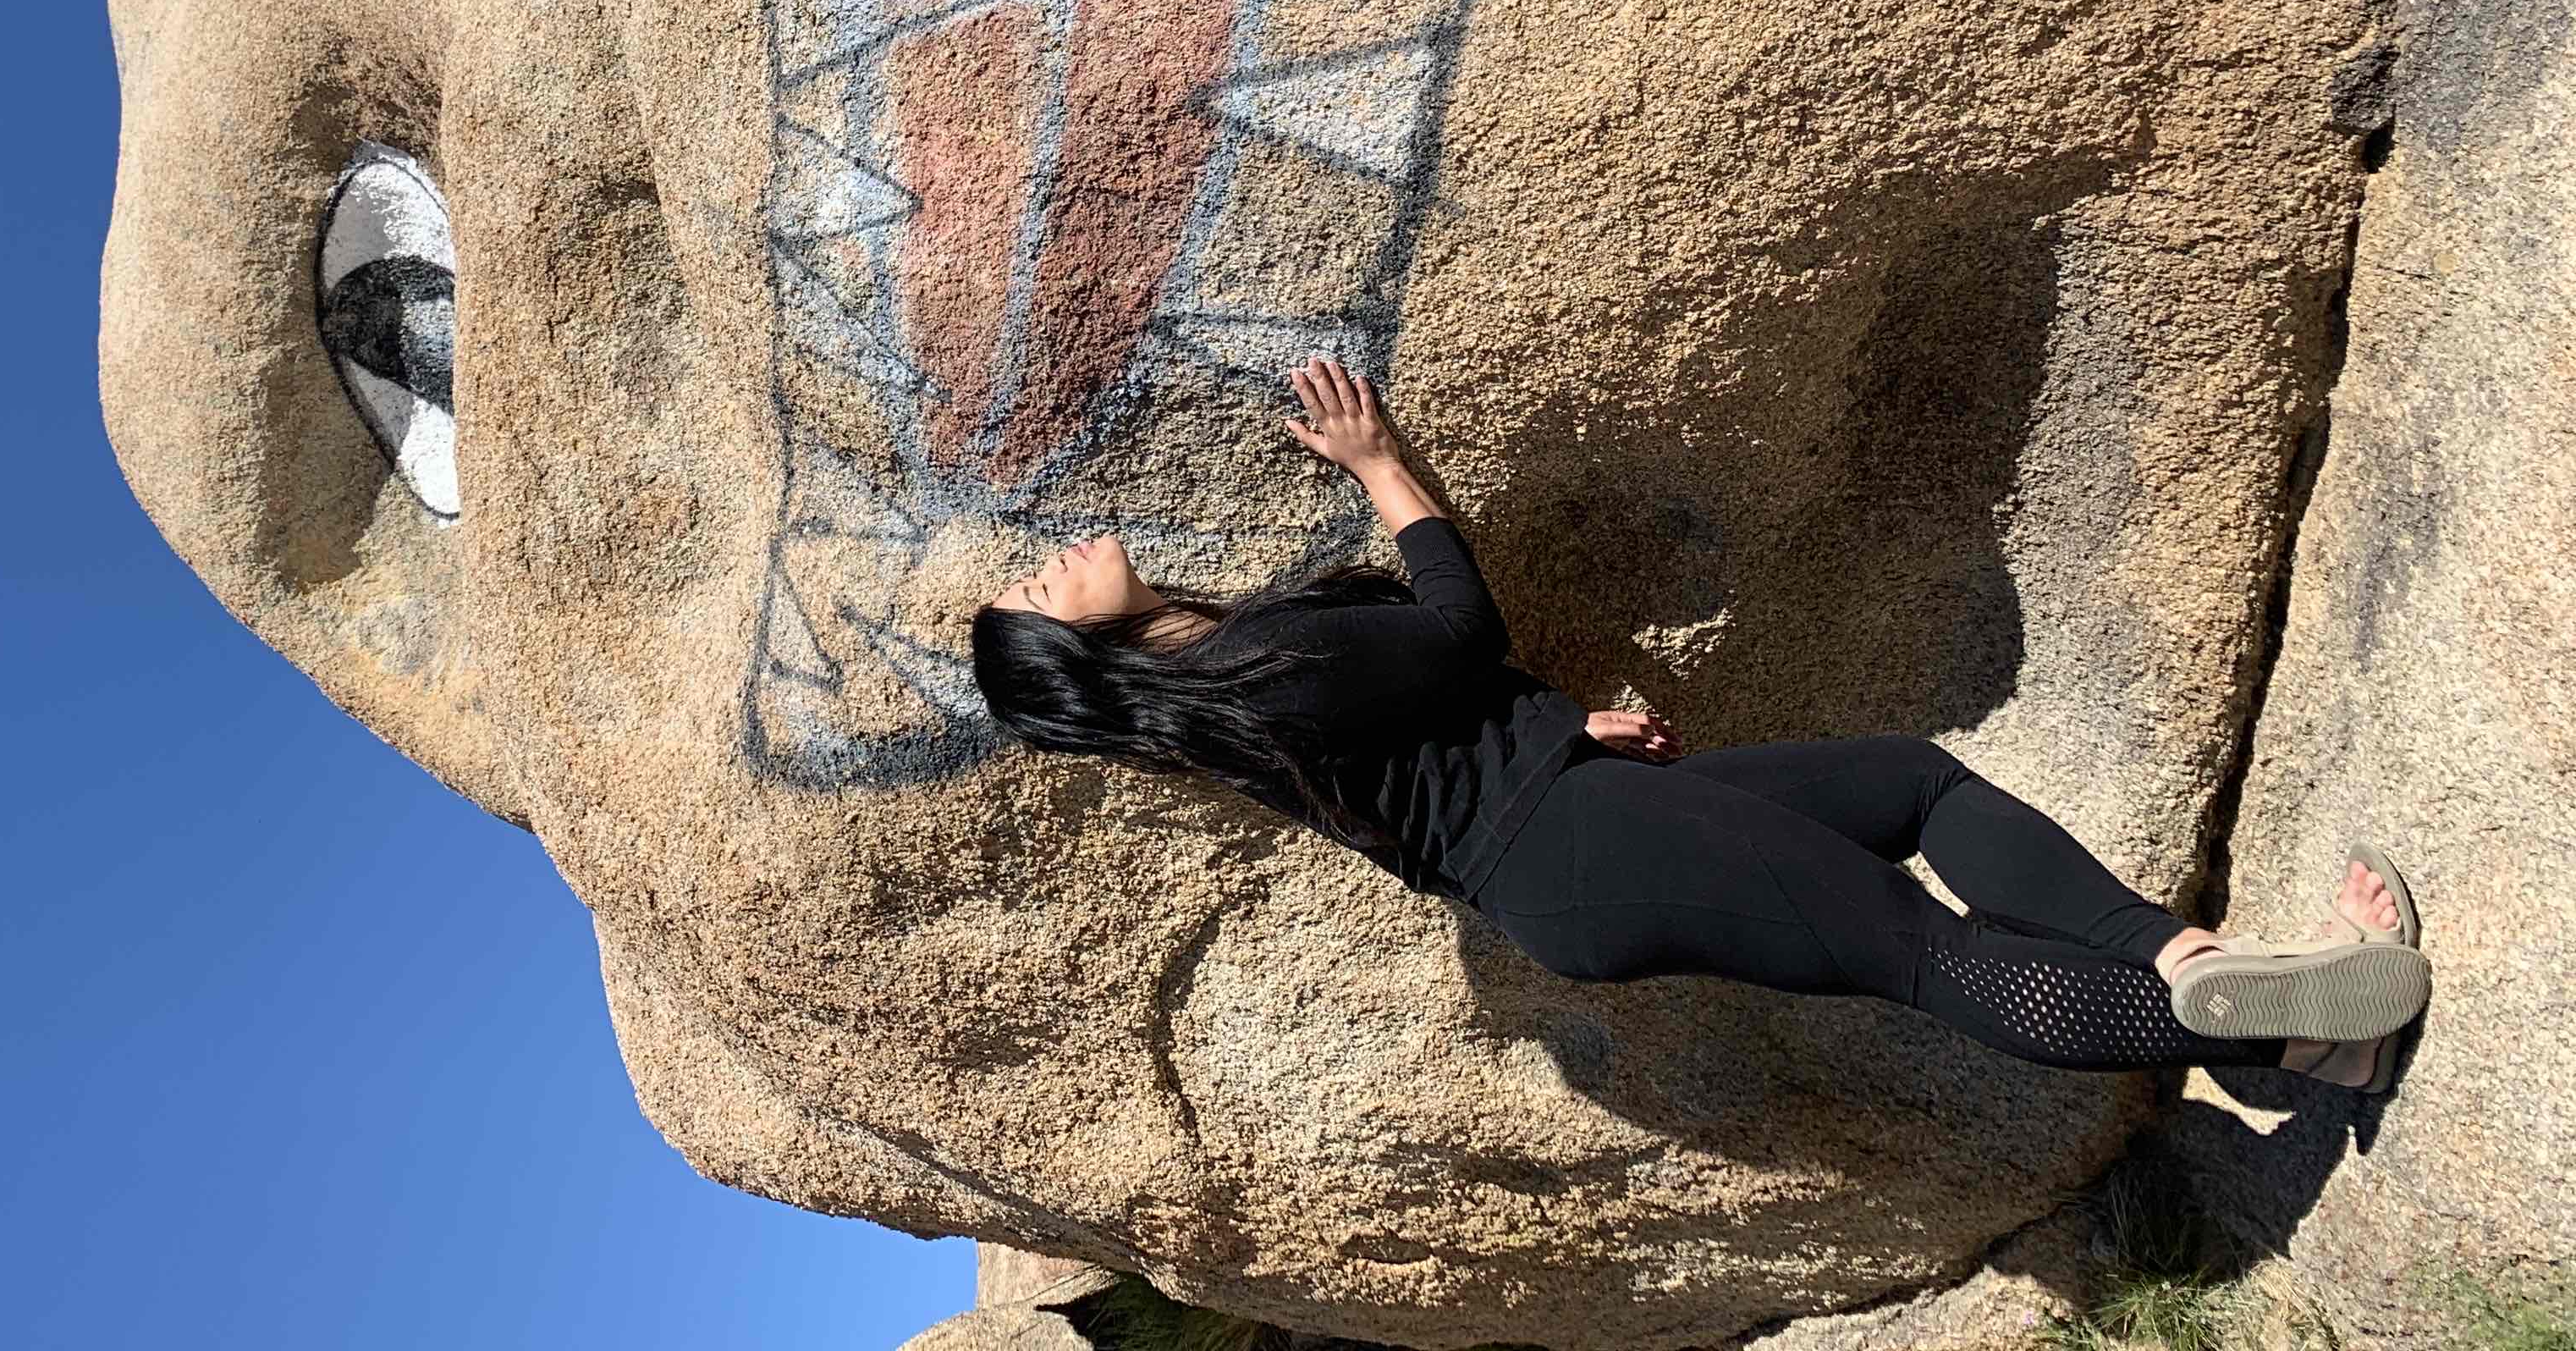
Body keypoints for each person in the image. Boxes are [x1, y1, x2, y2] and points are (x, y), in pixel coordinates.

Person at [970, 360, 2430, 1087]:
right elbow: (1461, 631)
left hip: (1580, 833)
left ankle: (2213, 976)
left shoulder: (1235, 687)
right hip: (1581, 852)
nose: (1047, 569)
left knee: (1914, 788)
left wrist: (1557, 741)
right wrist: (1382, 464)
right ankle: (2257, 1033)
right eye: (1036, 598)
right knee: (1925, 953)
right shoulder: (1256, 675)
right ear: (1072, 654)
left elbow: (1431, 766)